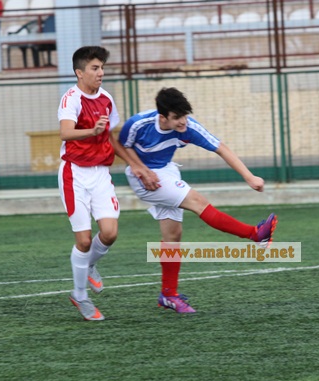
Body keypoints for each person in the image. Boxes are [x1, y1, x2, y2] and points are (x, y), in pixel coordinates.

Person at [111, 87, 277, 313]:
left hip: (167, 171)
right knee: (197, 202)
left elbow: (220, 148)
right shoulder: (139, 124)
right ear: (163, 117)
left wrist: (249, 177)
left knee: (173, 235)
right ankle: (255, 234)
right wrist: (139, 168)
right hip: (143, 178)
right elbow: (119, 144)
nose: (183, 122)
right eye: (177, 117)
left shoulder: (188, 127)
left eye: (185, 115)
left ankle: (168, 295)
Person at [57, 46, 121, 321]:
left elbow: (110, 135)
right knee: (83, 240)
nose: (101, 73)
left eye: (102, 67)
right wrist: (91, 130)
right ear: (79, 72)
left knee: (109, 233)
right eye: (95, 68)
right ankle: (80, 296)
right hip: (75, 174)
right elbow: (65, 132)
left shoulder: (106, 99)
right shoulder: (71, 98)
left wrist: (135, 163)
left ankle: (90, 264)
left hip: (100, 174)